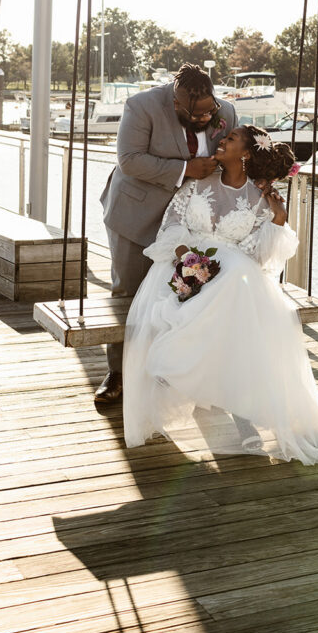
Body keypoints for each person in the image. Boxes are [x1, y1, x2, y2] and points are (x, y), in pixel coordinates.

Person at [122, 125, 318, 462]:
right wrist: (187, 258)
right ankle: (218, 402)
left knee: (233, 292)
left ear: (246, 153)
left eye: (230, 140)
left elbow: (257, 257)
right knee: (225, 315)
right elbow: (172, 223)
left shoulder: (260, 198)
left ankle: (238, 412)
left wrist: (278, 218)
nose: (222, 141)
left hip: (228, 279)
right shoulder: (197, 184)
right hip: (182, 264)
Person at [97, 64, 237, 404]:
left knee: (182, 294)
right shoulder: (141, 106)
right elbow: (129, 160)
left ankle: (169, 369)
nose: (206, 119)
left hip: (193, 225)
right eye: (197, 114)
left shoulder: (227, 112)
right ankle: (118, 373)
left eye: (210, 112)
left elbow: (235, 158)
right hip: (136, 215)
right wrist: (185, 169)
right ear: (178, 102)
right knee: (127, 295)